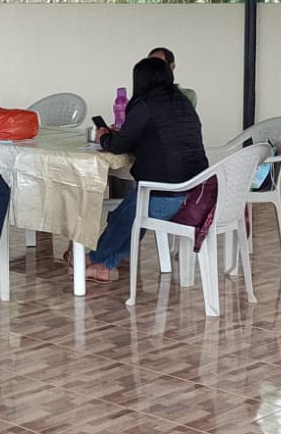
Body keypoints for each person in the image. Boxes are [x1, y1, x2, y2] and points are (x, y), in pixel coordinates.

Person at [85, 56, 208, 282]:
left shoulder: (145, 104)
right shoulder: (182, 102)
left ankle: (93, 258)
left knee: (127, 212)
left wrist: (103, 137)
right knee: (133, 208)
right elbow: (159, 135)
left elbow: (120, 145)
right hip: (196, 190)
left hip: (168, 195)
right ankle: (104, 265)